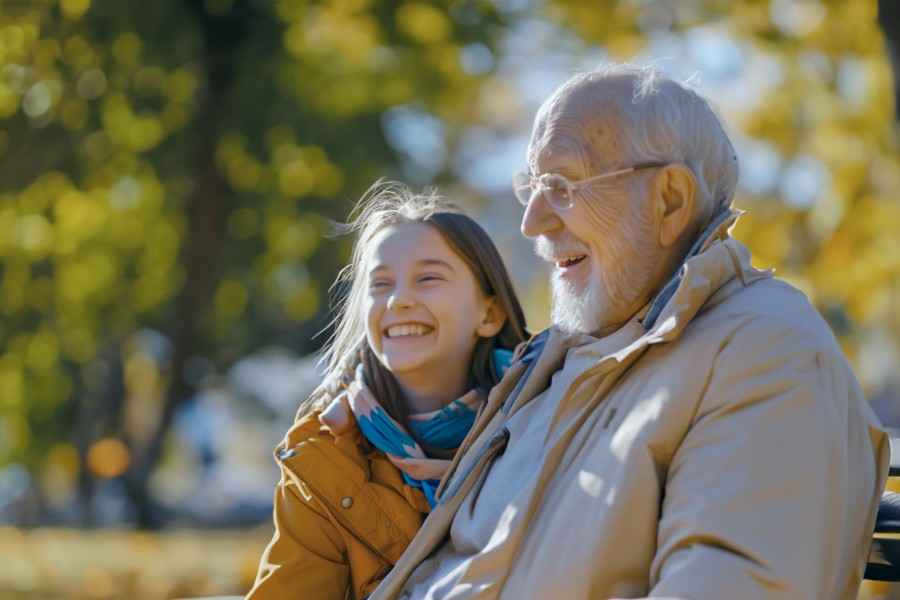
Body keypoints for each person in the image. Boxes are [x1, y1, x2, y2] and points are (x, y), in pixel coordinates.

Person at [370, 65, 891, 600]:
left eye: (562, 185)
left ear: (669, 200)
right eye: (532, 185)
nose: (532, 221)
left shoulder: (766, 351)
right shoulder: (565, 358)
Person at [246, 181, 529, 600]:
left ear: (489, 314)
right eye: (380, 284)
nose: (398, 301)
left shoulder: (544, 421)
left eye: (428, 278)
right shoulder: (326, 456)